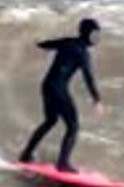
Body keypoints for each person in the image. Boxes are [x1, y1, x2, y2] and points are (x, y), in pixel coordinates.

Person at [18, 18, 103, 172]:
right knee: (73, 127)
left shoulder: (68, 41)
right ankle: (63, 164)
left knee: (50, 120)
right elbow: (88, 77)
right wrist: (97, 100)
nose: (97, 38)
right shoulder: (83, 53)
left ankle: (26, 154)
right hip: (58, 89)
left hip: (46, 86)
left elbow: (46, 44)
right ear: (88, 34)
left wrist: (34, 42)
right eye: (95, 34)